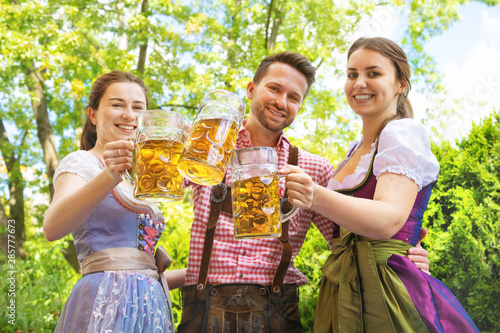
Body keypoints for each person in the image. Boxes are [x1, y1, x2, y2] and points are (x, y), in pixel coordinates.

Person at [178, 51, 430, 332]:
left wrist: (404, 253)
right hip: (202, 309)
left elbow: (344, 242)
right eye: (274, 89)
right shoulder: (205, 148)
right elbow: (147, 199)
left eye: (293, 97)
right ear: (251, 89)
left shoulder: (315, 168)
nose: (281, 102)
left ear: (300, 106)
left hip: (277, 312)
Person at [284, 37, 480, 332]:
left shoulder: (402, 133)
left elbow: (388, 219)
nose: (359, 83)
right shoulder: (354, 150)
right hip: (345, 287)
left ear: (401, 83)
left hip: (388, 289)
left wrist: (314, 195)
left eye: (373, 73)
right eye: (352, 74)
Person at [43, 71, 186, 333]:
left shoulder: (141, 179)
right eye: (117, 104)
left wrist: (202, 274)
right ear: (93, 115)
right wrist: (109, 175)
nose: (129, 115)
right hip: (104, 304)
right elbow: (52, 227)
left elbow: (142, 269)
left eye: (138, 107)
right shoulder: (82, 162)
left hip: (151, 309)